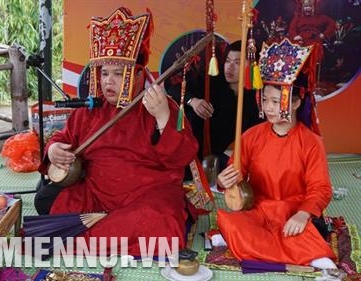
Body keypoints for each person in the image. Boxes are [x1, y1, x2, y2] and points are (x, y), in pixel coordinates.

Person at [34, 7, 199, 256]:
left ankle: (79, 238)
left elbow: (182, 157)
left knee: (163, 219)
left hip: (146, 195)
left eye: (119, 74)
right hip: (97, 194)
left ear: (137, 74)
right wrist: (55, 149)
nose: (108, 82)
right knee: (46, 199)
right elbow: (62, 138)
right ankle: (109, 232)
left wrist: (163, 116)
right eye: (104, 73)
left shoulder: (159, 105)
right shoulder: (91, 108)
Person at [215, 38, 336, 268]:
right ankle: (296, 251)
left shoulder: (311, 142)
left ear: (296, 103)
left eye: (274, 101)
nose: (268, 107)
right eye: (265, 100)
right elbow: (235, 175)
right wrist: (224, 181)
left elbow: (321, 188)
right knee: (228, 221)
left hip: (293, 211)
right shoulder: (252, 135)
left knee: (306, 232)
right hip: (260, 210)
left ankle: (253, 246)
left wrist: (303, 214)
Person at [168, 40, 263, 175]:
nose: (229, 67)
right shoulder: (211, 82)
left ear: (253, 66)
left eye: (237, 63)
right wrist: (193, 101)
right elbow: (174, 90)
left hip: (229, 159)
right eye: (228, 61)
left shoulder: (258, 96)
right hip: (194, 152)